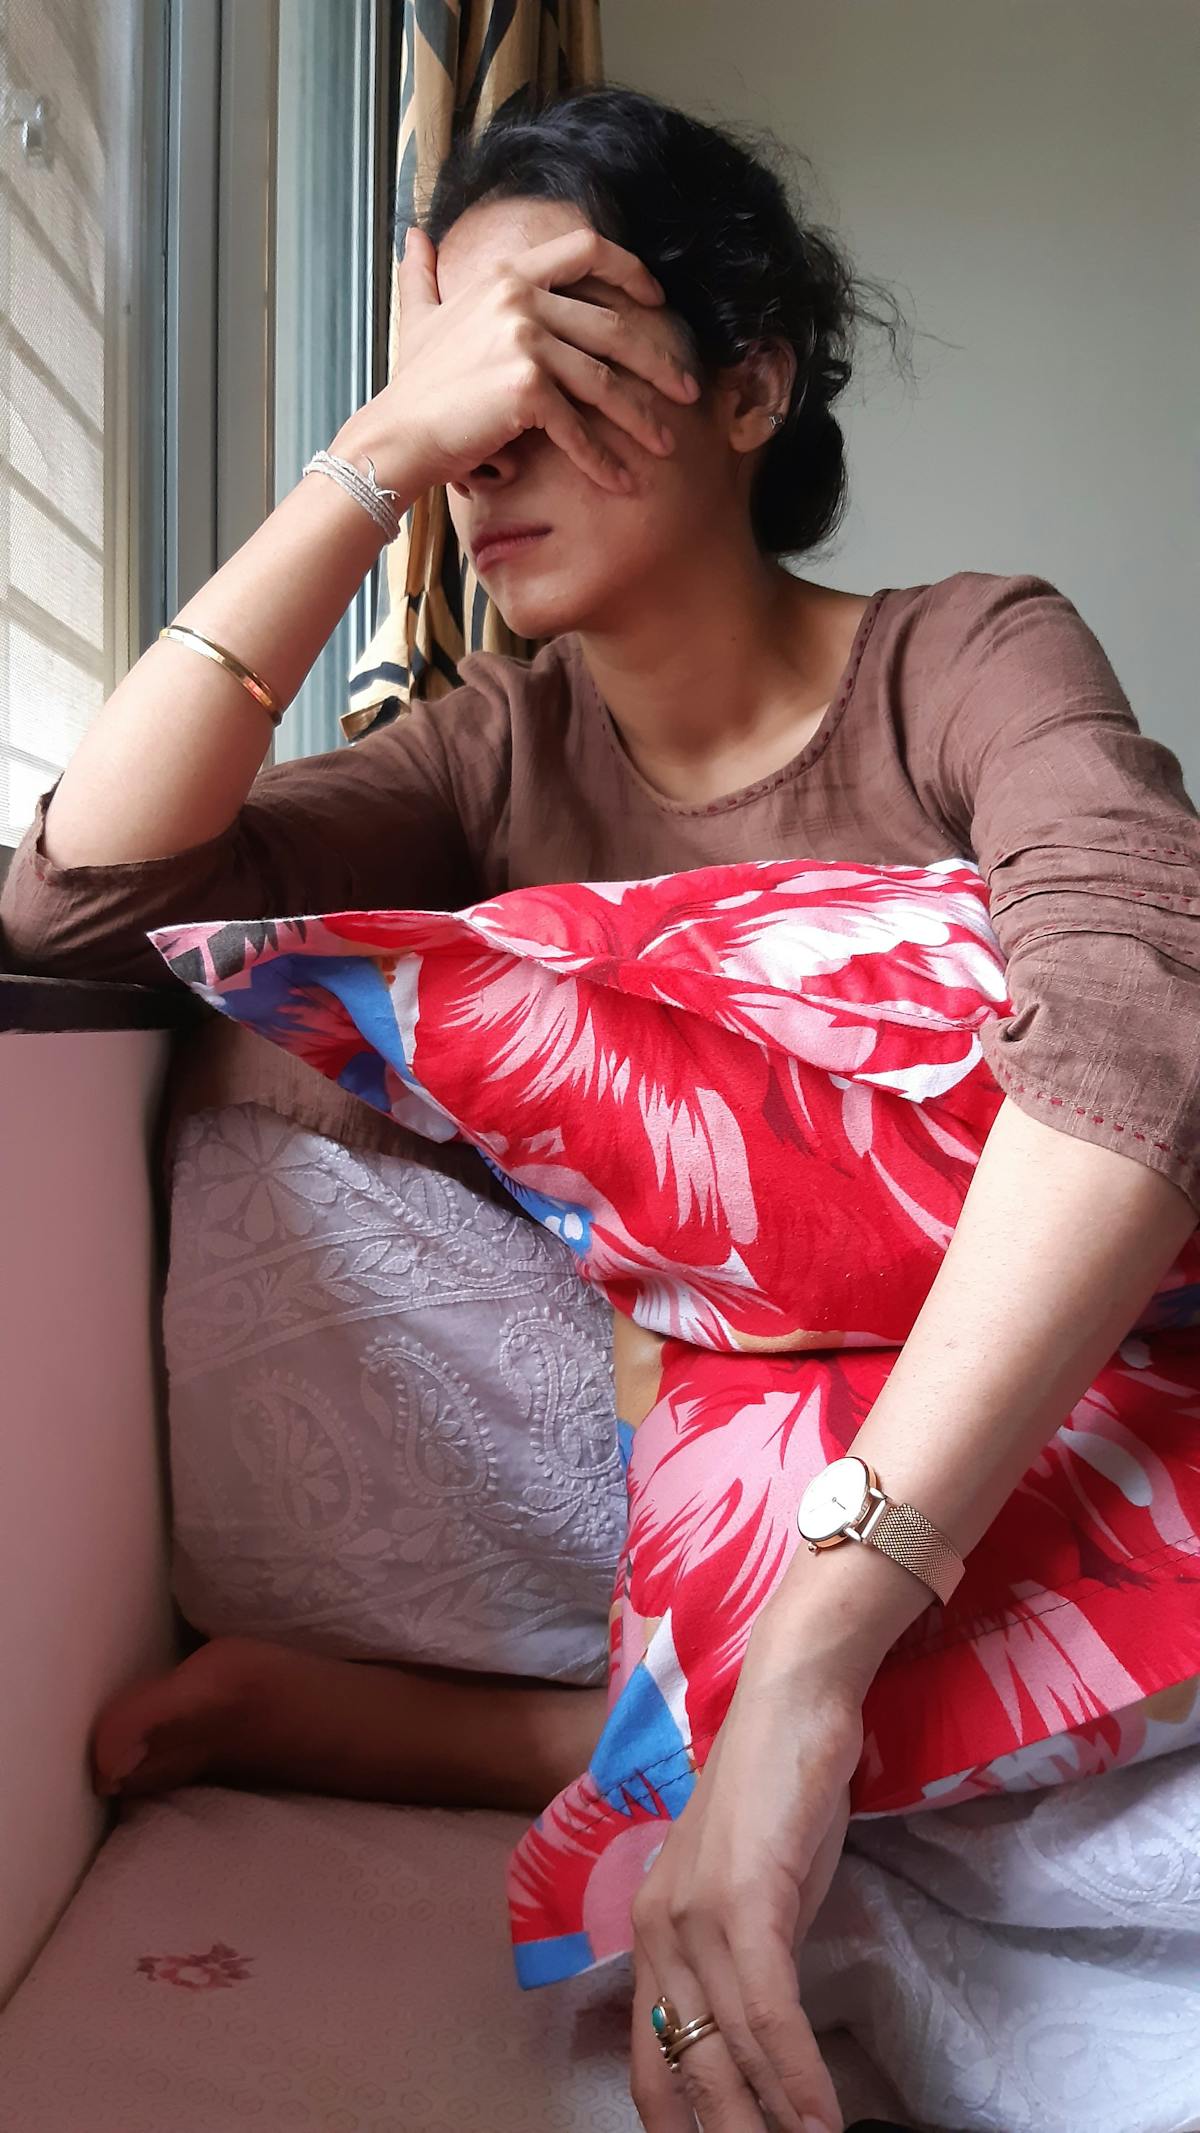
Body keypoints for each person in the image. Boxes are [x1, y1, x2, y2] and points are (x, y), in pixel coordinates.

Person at [3, 82, 1199, 2133]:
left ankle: (569, 1736)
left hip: (1000, 1450)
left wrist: (814, 1651)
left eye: (550, 348)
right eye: (455, 382)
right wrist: (368, 458)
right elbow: (81, 904)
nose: (489, 443)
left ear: (748, 384)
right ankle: (604, 1722)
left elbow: (1141, 1024)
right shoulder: (492, 752)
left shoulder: (962, 655)